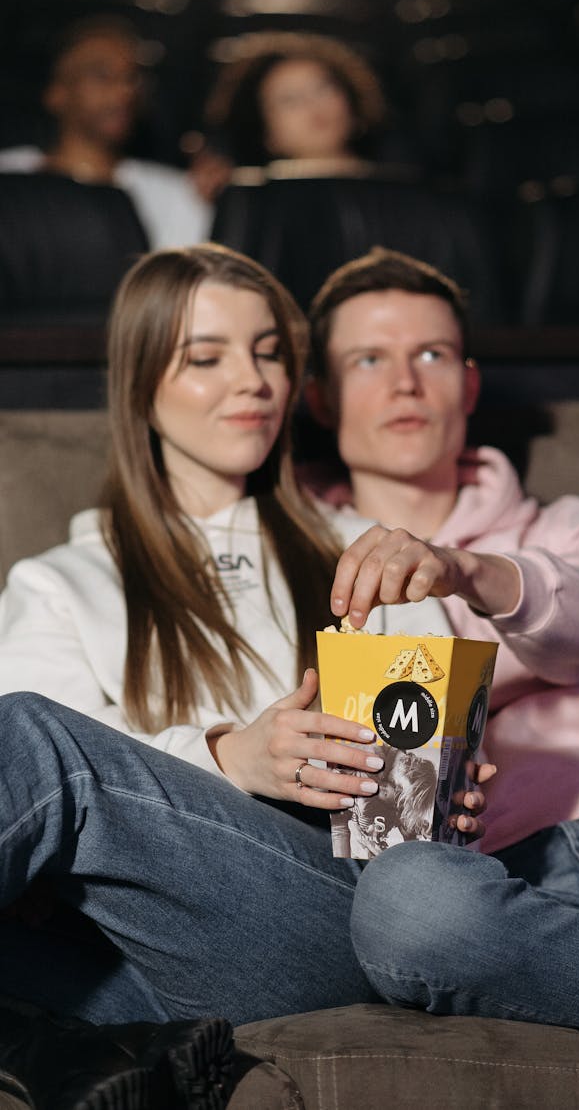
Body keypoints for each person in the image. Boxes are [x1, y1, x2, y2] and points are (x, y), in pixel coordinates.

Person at [0, 242, 477, 1104]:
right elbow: (30, 833)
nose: (254, 380)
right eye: (207, 356)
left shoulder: (368, 555)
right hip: (126, 957)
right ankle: (83, 1049)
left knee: (31, 734)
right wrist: (229, 755)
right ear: (141, 383)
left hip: (328, 919)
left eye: (268, 352)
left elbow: (417, 827)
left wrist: (442, 790)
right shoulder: (60, 582)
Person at [297, 245, 579, 1046]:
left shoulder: (566, 523)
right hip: (439, 887)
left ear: (468, 384)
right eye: (370, 358)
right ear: (322, 398)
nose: (405, 382)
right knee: (415, 910)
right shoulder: (281, 553)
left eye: (430, 354)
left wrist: (463, 571)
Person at [0, 16, 212, 249]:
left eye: (132, 78)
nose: (124, 92)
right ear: (55, 92)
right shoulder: (8, 178)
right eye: (101, 75)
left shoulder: (178, 197)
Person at [195, 30, 388, 189]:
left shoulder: (397, 188)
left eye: (323, 89)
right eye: (290, 100)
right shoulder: (249, 198)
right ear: (265, 130)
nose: (312, 105)